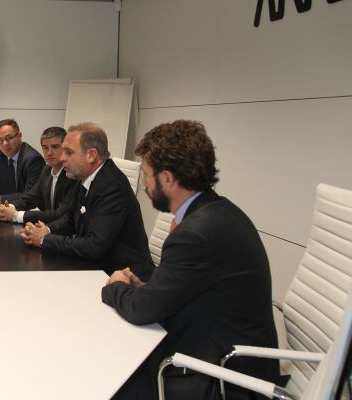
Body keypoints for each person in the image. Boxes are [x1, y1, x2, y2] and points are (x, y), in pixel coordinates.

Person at [102, 120, 279, 399]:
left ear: (168, 179)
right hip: (221, 344)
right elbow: (187, 285)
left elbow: (142, 310)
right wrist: (147, 287)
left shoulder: (197, 232)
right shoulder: (216, 211)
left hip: (224, 377)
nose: (145, 185)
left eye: (147, 175)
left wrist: (117, 284)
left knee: (112, 381)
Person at [20, 122, 153, 281]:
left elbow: (93, 246)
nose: (62, 158)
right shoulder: (84, 177)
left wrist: (43, 240)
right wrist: (46, 230)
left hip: (126, 277)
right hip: (97, 268)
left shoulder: (112, 186)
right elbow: (70, 218)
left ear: (91, 155)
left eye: (68, 152)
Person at [0, 126, 76, 224]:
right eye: (45, 147)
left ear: (65, 148)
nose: (49, 153)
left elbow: (59, 214)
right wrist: (10, 207)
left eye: (55, 147)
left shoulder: (73, 175)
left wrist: (16, 215)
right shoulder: (46, 170)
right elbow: (31, 198)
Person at [0, 119, 44, 206]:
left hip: (27, 211)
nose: (5, 144)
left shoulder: (33, 159)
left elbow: (30, 195)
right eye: (0, 140)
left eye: (9, 138)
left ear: (20, 136)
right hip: (4, 210)